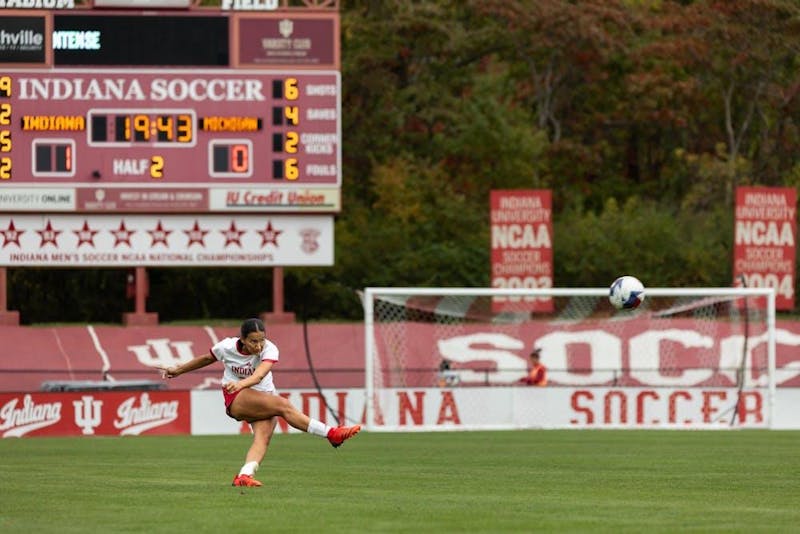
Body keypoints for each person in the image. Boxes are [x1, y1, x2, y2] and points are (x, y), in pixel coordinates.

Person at [159, 317, 361, 487]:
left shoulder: (269, 349)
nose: (258, 345)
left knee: (262, 439)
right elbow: (205, 359)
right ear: (243, 340)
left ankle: (244, 475)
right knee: (283, 405)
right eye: (254, 341)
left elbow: (259, 376)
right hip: (236, 398)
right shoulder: (226, 347)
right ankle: (331, 434)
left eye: (261, 340)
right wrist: (178, 370)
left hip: (259, 397)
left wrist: (242, 383)